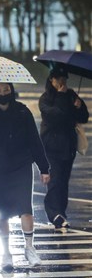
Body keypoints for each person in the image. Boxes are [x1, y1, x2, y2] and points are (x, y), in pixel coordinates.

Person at [0, 82, 50, 269]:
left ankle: (29, 248)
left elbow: (34, 141)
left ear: (11, 90)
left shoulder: (22, 112)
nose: (3, 94)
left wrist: (44, 168)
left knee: (25, 208)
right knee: (2, 212)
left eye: (6, 90)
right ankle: (6, 252)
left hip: (21, 165)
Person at [39, 66, 89, 232]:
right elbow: (54, 116)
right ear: (51, 80)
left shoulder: (71, 95)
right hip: (51, 147)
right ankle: (55, 214)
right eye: (58, 79)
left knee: (63, 182)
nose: (62, 82)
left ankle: (61, 212)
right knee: (55, 181)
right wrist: (61, 95)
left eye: (64, 79)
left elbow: (83, 117)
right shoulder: (46, 98)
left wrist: (79, 106)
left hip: (68, 146)